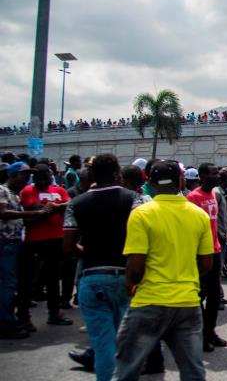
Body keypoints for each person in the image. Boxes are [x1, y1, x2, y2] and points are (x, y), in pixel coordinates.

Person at [113, 160, 215, 381]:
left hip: (149, 300)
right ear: (180, 181)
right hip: (188, 302)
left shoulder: (142, 214)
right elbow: (207, 264)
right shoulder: (199, 215)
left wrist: (130, 285)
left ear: (151, 182)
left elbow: (136, 266)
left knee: (126, 369)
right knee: (193, 372)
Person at [62, 154, 137, 380]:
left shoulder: (75, 203)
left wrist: (90, 252)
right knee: (126, 341)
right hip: (126, 276)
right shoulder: (135, 199)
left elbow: (67, 246)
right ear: (117, 174)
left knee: (103, 343)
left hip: (92, 276)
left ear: (92, 175)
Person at [17, 163, 72, 330]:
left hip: (56, 239)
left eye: (45, 176)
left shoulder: (59, 191)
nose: (42, 180)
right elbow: (30, 210)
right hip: (34, 240)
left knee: (53, 279)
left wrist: (53, 208)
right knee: (26, 280)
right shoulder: (27, 191)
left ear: (50, 176)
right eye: (38, 177)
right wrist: (47, 211)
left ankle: (54, 313)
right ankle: (23, 316)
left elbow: (69, 205)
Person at [186, 164, 227, 352]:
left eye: (217, 173)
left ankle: (210, 331)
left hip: (215, 250)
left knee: (213, 297)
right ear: (201, 176)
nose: (217, 176)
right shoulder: (193, 197)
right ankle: (201, 335)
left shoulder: (213, 194)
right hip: (200, 254)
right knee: (199, 296)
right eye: (213, 173)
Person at [0, 163, 42, 339]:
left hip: (14, 243)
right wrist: (34, 214)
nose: (26, 179)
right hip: (5, 243)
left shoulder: (15, 195)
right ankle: (6, 324)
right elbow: (3, 213)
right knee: (7, 285)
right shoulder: (2, 191)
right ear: (13, 175)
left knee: (11, 284)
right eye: (23, 175)